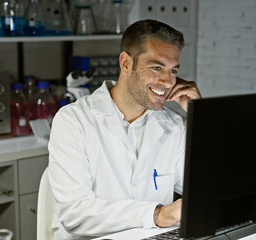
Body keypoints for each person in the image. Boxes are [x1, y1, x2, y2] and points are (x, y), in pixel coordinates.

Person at [48, 19, 202, 239]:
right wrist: (156, 214)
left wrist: (201, 114)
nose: (168, 82)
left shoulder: (174, 125)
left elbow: (207, 189)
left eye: (173, 70)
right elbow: (75, 214)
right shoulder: (73, 120)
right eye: (157, 67)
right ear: (126, 63)